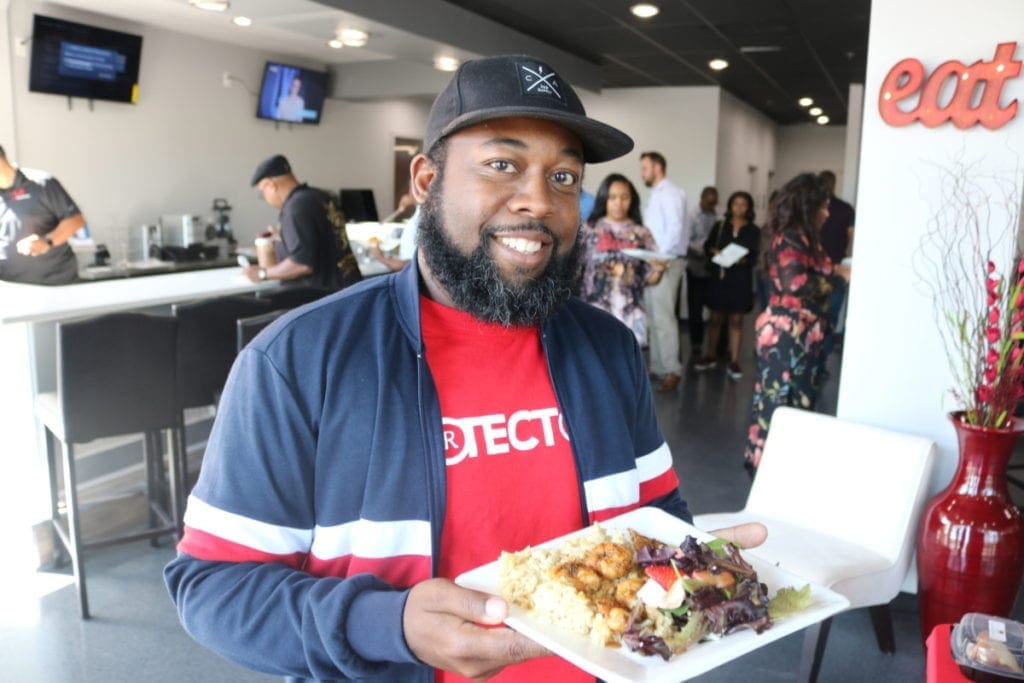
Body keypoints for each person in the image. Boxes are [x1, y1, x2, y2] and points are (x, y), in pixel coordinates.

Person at [165, 54, 764, 683]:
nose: (538, 200)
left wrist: (704, 568)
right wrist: (386, 623)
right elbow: (211, 589)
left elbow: (657, 515)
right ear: (426, 180)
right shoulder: (299, 362)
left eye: (564, 177)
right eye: (502, 165)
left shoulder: (608, 348)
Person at [744, 174, 850, 476]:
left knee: (794, 401)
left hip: (802, 336)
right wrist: (837, 277)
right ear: (808, 204)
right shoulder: (791, 235)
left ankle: (783, 465)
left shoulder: (803, 236)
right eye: (823, 206)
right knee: (781, 400)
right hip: (787, 337)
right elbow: (795, 284)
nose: (827, 213)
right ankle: (771, 469)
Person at [244, 154, 362, 290]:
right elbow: (322, 239)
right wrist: (283, 237)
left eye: (262, 193)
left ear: (271, 185)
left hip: (324, 297)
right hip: (348, 287)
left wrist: (262, 273)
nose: (265, 198)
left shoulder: (295, 208)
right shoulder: (321, 196)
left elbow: (301, 264)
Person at [579, 173, 665, 346]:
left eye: (624, 197)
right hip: (594, 309)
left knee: (626, 366)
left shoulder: (642, 233)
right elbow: (575, 270)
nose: (618, 203)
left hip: (630, 311)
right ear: (604, 199)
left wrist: (659, 270)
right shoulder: (589, 229)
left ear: (632, 200)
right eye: (612, 197)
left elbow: (650, 279)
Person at [695, 192, 760, 380]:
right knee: (715, 318)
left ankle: (734, 360)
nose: (739, 208)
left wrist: (742, 259)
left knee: (736, 320)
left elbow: (755, 255)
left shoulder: (753, 230)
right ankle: (710, 355)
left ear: (749, 208)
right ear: (730, 206)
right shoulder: (720, 226)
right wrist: (715, 251)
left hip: (740, 279)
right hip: (720, 277)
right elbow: (707, 246)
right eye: (736, 204)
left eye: (743, 204)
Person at [0, 144, 85, 285]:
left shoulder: (41, 183)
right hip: (11, 287)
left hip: (53, 284)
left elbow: (75, 220)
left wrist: (47, 241)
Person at [639, 151, 688, 392]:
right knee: (655, 318)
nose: (642, 173)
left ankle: (672, 369)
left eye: (645, 168)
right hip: (655, 261)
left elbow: (675, 230)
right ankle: (658, 367)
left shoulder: (670, 193)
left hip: (666, 262)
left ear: (657, 167)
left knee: (665, 319)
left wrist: (661, 261)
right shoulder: (657, 193)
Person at [816, 170, 855, 385]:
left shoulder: (839, 209)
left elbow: (851, 237)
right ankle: (819, 364)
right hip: (833, 268)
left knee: (823, 317)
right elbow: (851, 238)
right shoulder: (844, 209)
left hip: (828, 269)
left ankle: (817, 363)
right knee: (828, 318)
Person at [684, 186, 719, 365]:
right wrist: (706, 249)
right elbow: (687, 241)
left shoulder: (717, 216)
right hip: (695, 266)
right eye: (708, 202)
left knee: (715, 305)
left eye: (714, 203)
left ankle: (716, 345)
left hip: (712, 267)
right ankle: (696, 342)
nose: (711, 206)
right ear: (702, 198)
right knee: (695, 307)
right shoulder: (692, 214)